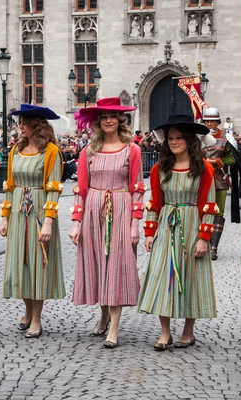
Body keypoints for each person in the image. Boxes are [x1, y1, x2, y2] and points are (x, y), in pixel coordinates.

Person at [137, 114, 217, 351]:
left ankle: (188, 332)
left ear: (190, 140)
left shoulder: (203, 169)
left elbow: (209, 206)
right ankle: (164, 332)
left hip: (191, 224)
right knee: (163, 276)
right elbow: (154, 203)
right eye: (170, 138)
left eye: (179, 137)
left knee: (191, 277)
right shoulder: (159, 169)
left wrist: (204, 238)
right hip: (166, 225)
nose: (174, 141)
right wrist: (150, 232)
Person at [69, 97, 143, 348]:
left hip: (120, 209)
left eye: (113, 116)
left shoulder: (132, 149)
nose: (109, 120)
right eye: (104, 116)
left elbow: (137, 187)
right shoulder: (88, 151)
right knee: (98, 263)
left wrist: (135, 223)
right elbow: (80, 188)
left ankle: (114, 327)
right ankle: (103, 314)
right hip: (93, 210)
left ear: (120, 120)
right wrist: (76, 222)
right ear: (98, 122)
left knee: (117, 265)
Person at [0, 104, 65, 339]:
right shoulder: (16, 150)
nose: (21, 127)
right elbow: (9, 187)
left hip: (38, 210)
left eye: (25, 123)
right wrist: (5, 218)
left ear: (38, 125)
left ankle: (36, 319)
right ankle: (27, 311)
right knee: (21, 263)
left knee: (38, 264)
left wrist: (48, 222)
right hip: (18, 212)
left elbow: (54, 188)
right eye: (20, 123)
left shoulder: (51, 152)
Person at [202, 107, 237, 260]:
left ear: (218, 122)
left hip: (219, 180)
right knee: (203, 211)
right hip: (202, 179)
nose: (210, 124)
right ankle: (203, 242)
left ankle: (213, 247)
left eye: (213, 121)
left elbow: (233, 159)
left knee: (218, 212)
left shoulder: (226, 138)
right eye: (207, 121)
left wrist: (216, 161)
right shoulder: (198, 137)